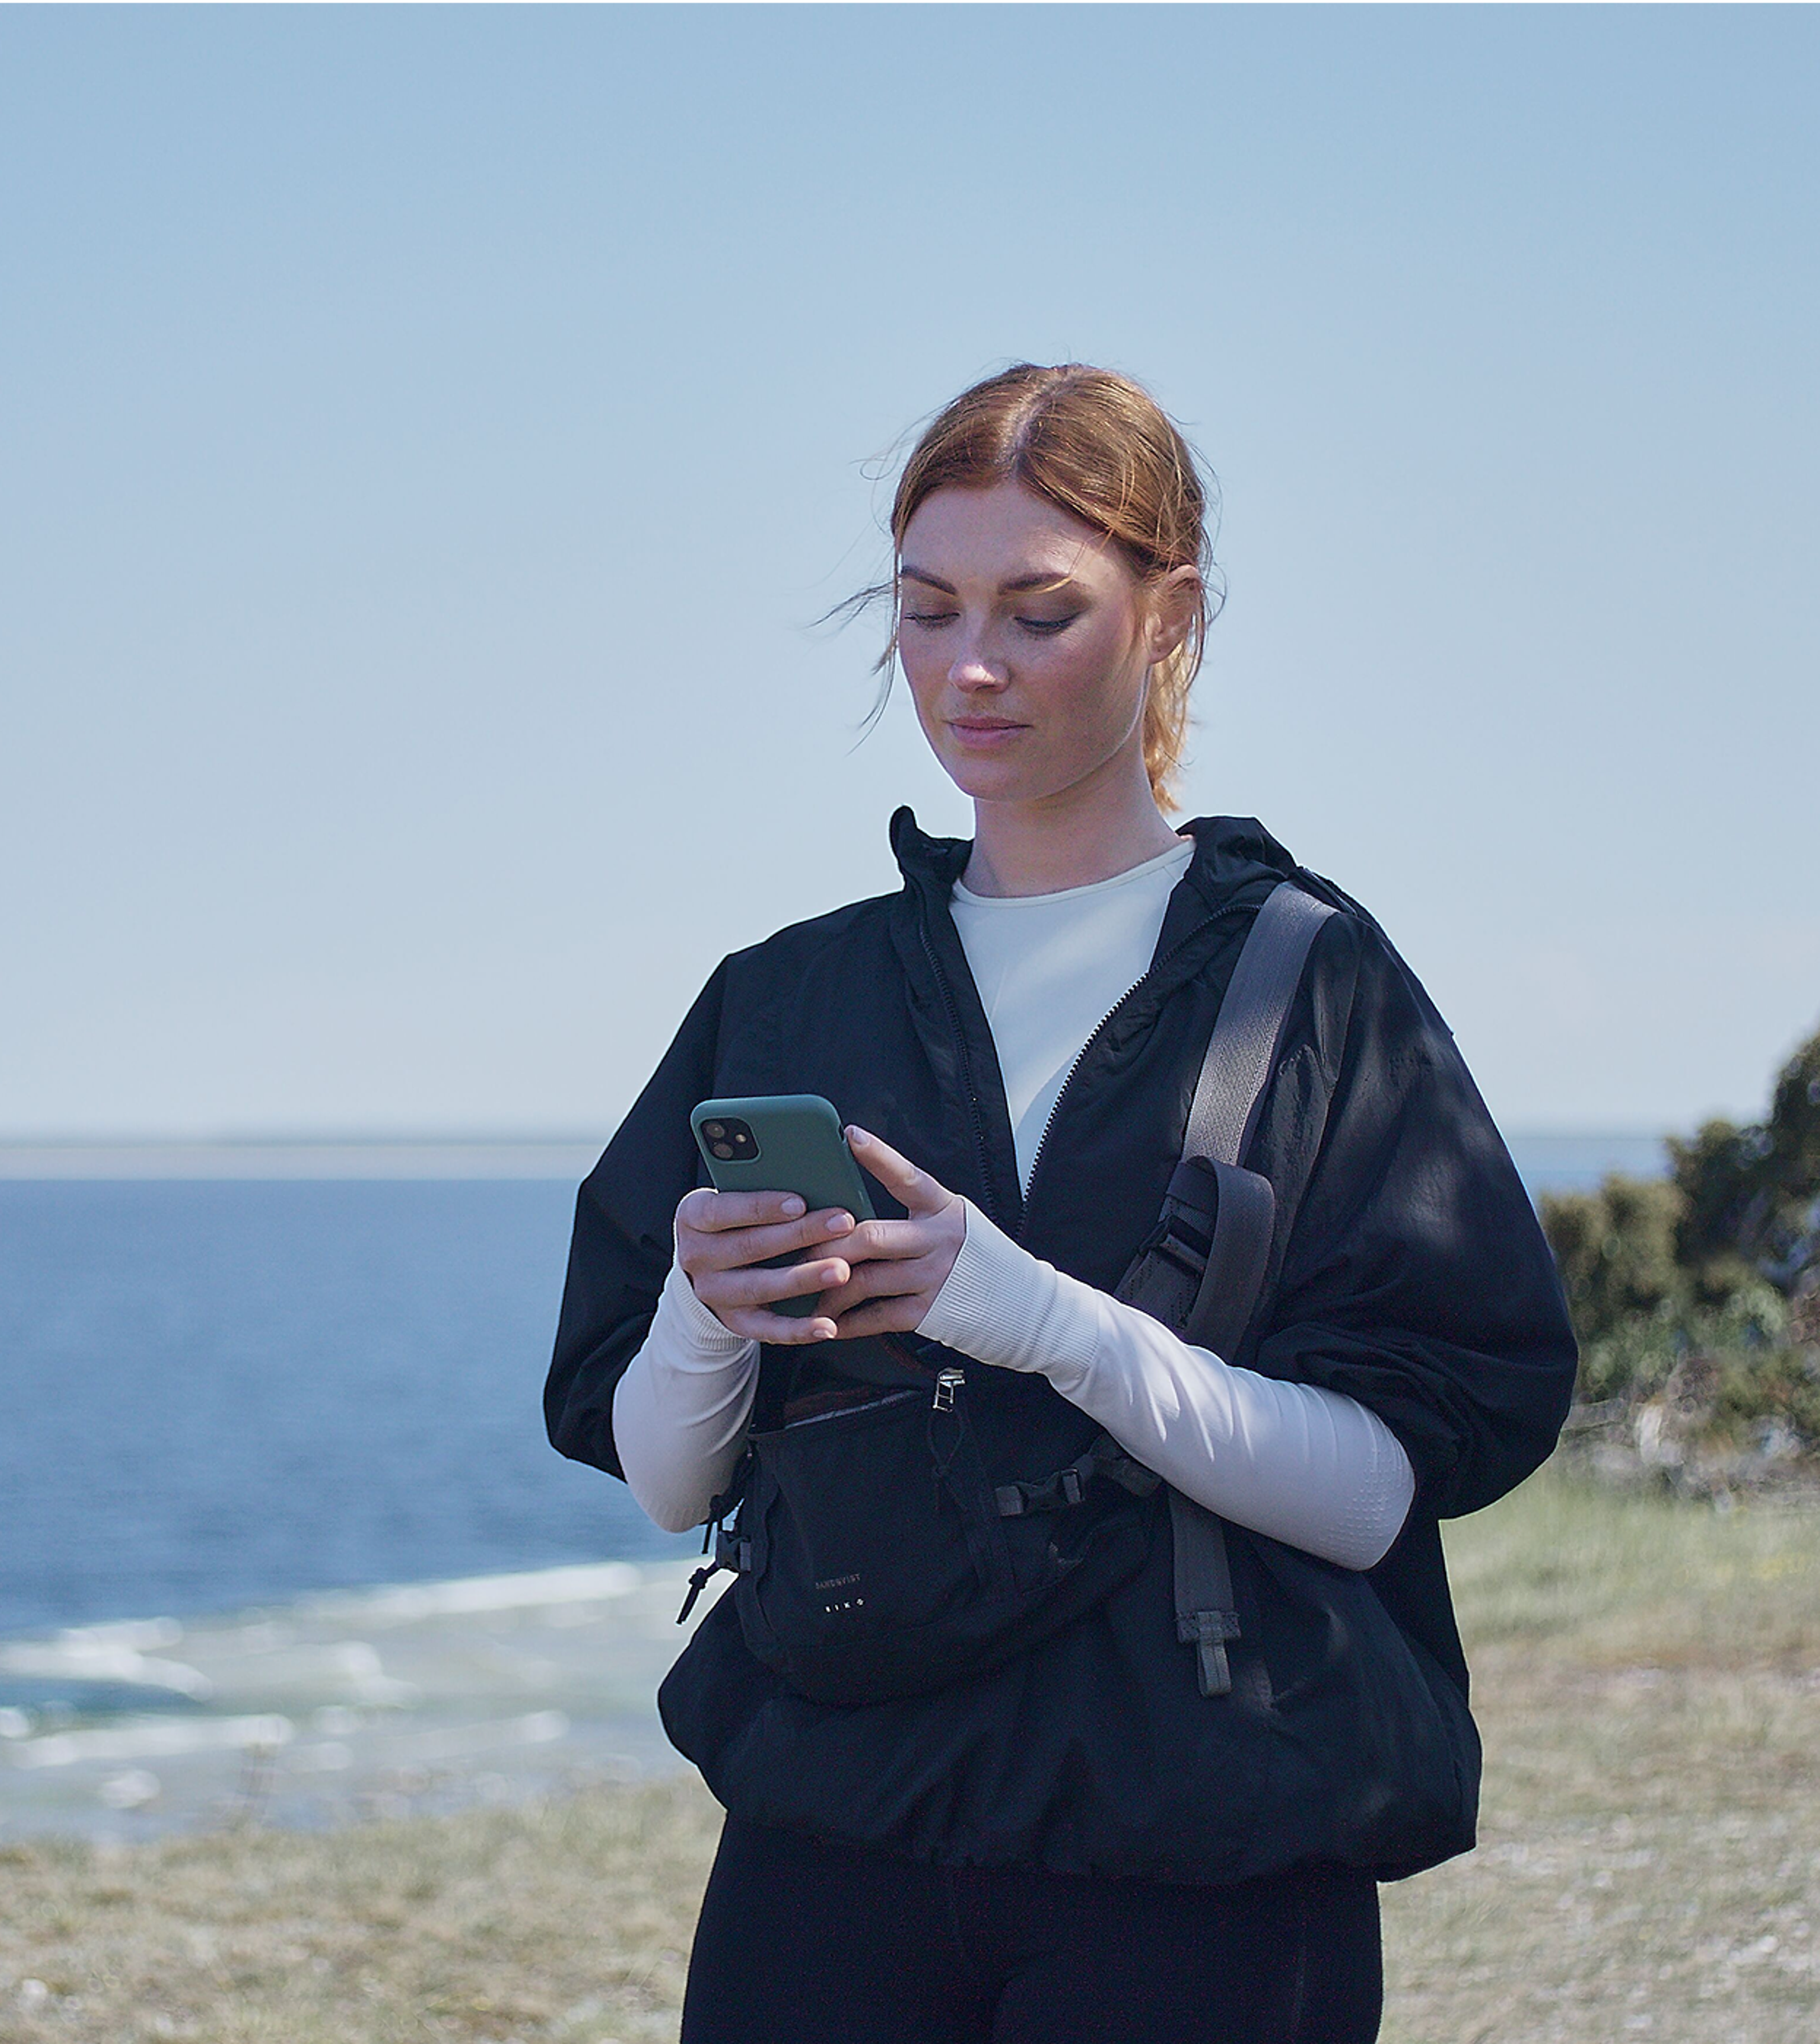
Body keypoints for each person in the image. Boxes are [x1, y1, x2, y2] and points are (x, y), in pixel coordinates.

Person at [544, 363, 1576, 2043]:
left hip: (1206, 1848)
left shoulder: (1312, 985)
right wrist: (698, 1302)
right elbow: (673, 1490)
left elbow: (1391, 1488)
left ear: (1174, 613)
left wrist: (1034, 1319)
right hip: (835, 1842)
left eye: (1041, 612)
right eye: (929, 607)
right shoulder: (786, 996)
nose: (970, 668)